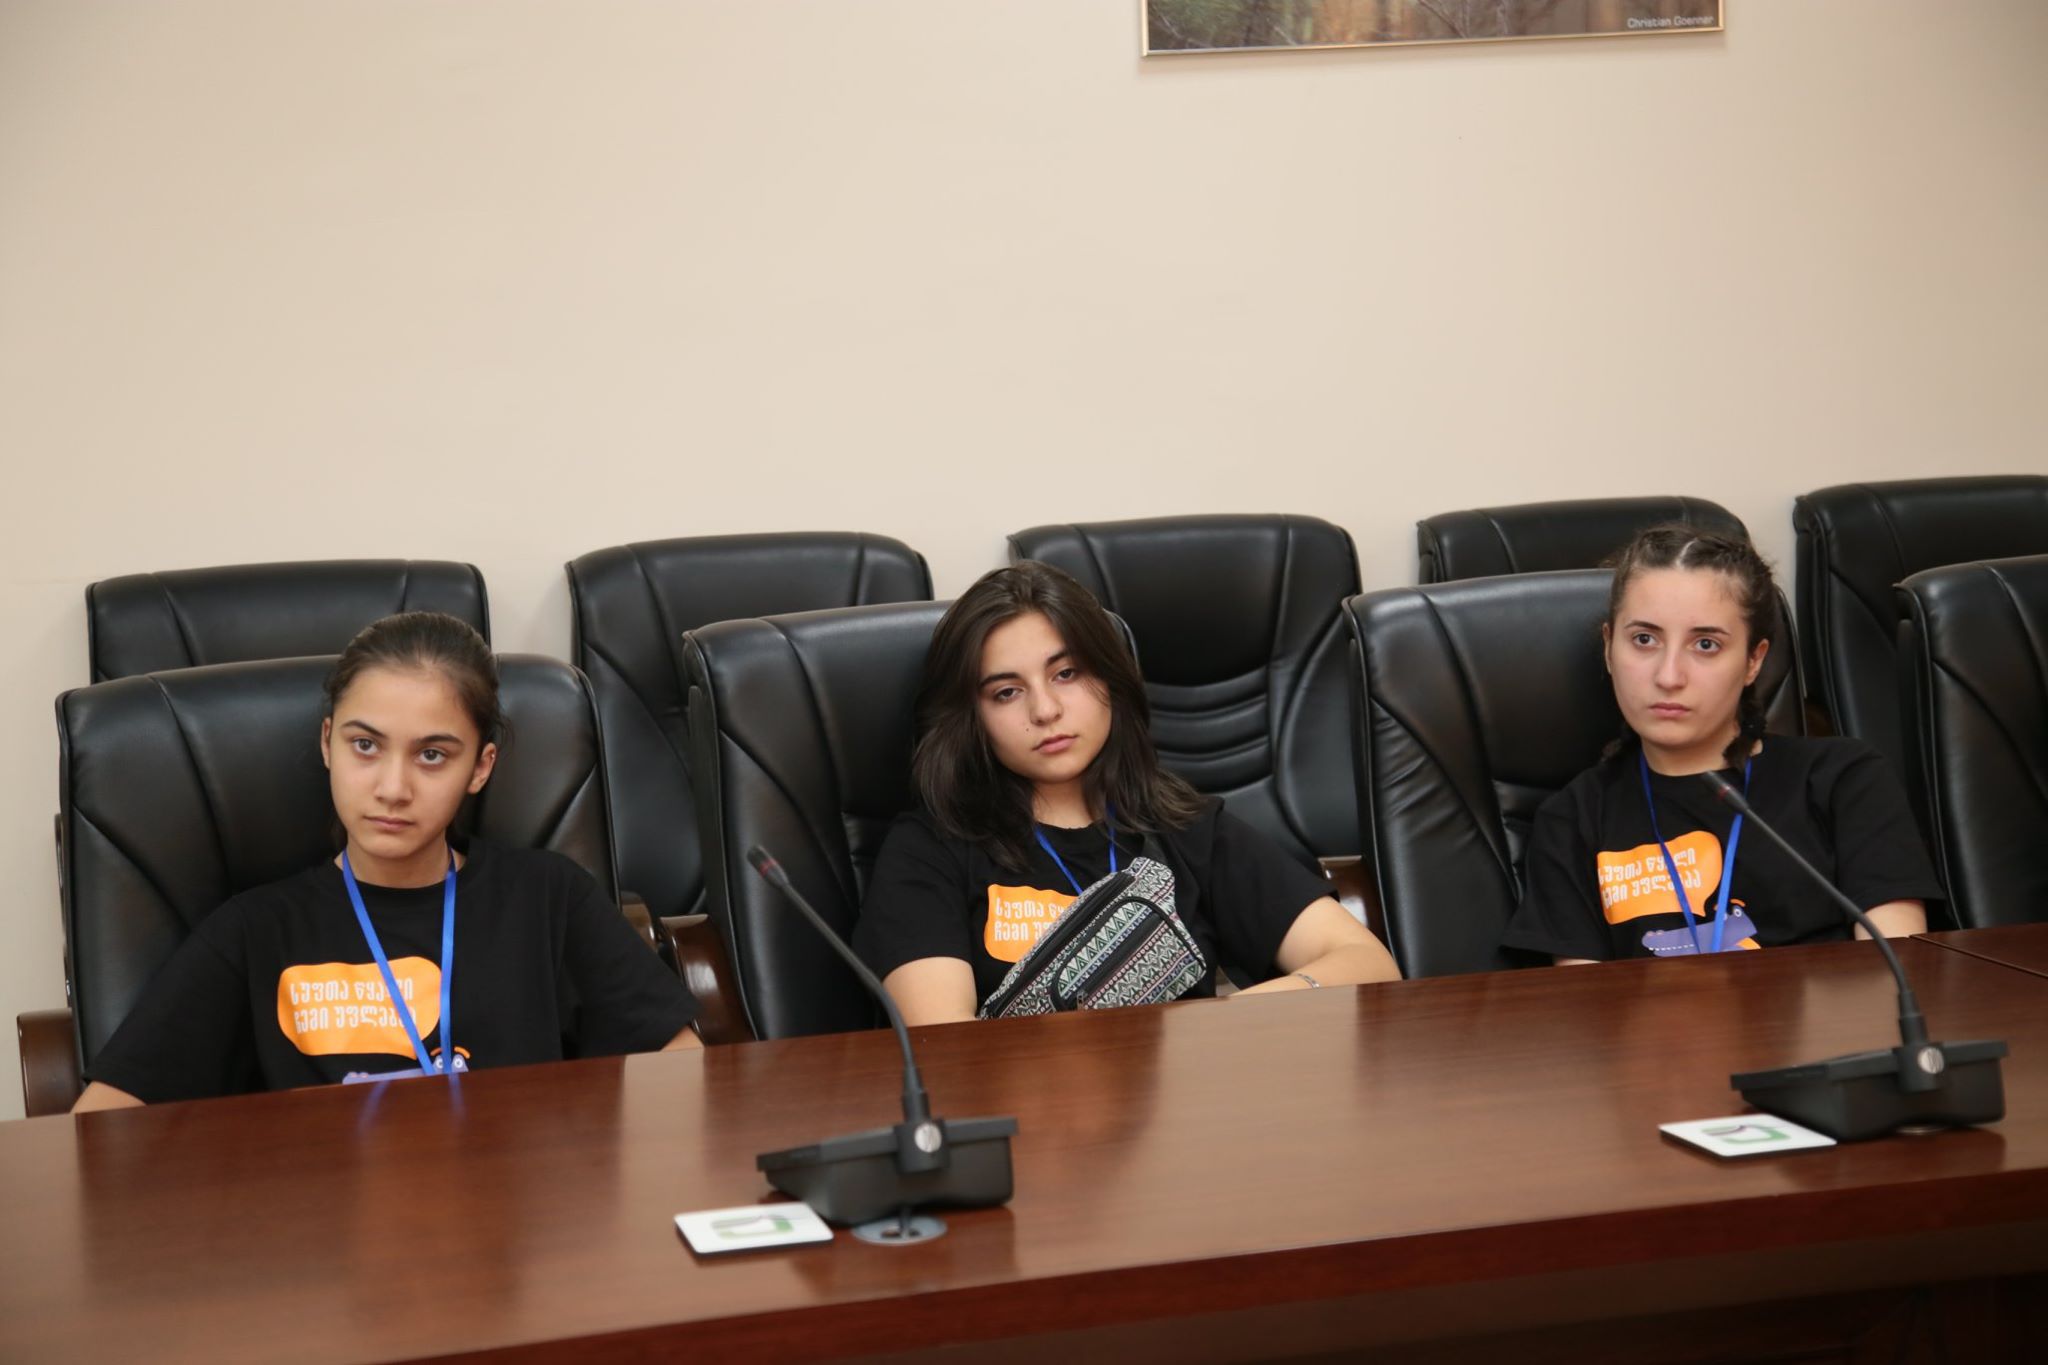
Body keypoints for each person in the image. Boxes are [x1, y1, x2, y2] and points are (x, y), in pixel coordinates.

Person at [73, 612, 699, 1111]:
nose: (393, 789)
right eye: (366, 746)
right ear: (328, 743)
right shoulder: (255, 931)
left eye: (432, 755)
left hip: (519, 1215)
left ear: (480, 768)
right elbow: (103, 1126)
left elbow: (684, 1077)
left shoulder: (549, 899)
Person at [853, 561, 1400, 1024]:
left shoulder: (1184, 825)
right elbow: (944, 1046)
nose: (1045, 710)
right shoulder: (930, 849)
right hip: (1024, 1115)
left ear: (1110, 681)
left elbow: (1367, 965)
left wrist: (1220, 1023)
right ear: (971, 717)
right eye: (1006, 692)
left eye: (1066, 673)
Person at [1502, 526, 1941, 965]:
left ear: (1753, 660)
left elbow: (1894, 971)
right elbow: (1583, 996)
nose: (1669, 676)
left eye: (1706, 644)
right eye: (1644, 639)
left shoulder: (1845, 780)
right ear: (1608, 647)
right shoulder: (1573, 818)